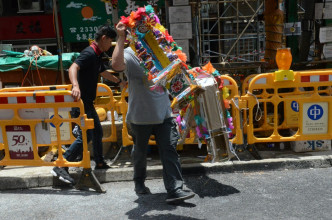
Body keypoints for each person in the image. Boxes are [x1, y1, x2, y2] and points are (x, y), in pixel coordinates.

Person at [112, 22, 195, 204]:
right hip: (140, 116)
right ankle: (139, 181)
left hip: (164, 113)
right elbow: (116, 66)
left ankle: (175, 189)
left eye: (149, 31)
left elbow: (178, 74)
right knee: (140, 153)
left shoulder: (162, 52)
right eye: (142, 32)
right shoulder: (130, 54)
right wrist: (120, 38)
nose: (147, 34)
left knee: (169, 149)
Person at [51, 25, 125, 184]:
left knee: (97, 132)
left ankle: (99, 162)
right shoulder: (89, 53)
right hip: (81, 103)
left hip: (88, 103)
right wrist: (75, 86)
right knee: (87, 134)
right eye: (110, 40)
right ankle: (62, 165)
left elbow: (102, 71)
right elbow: (73, 67)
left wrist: (118, 81)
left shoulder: (97, 55)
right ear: (104, 38)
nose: (110, 45)